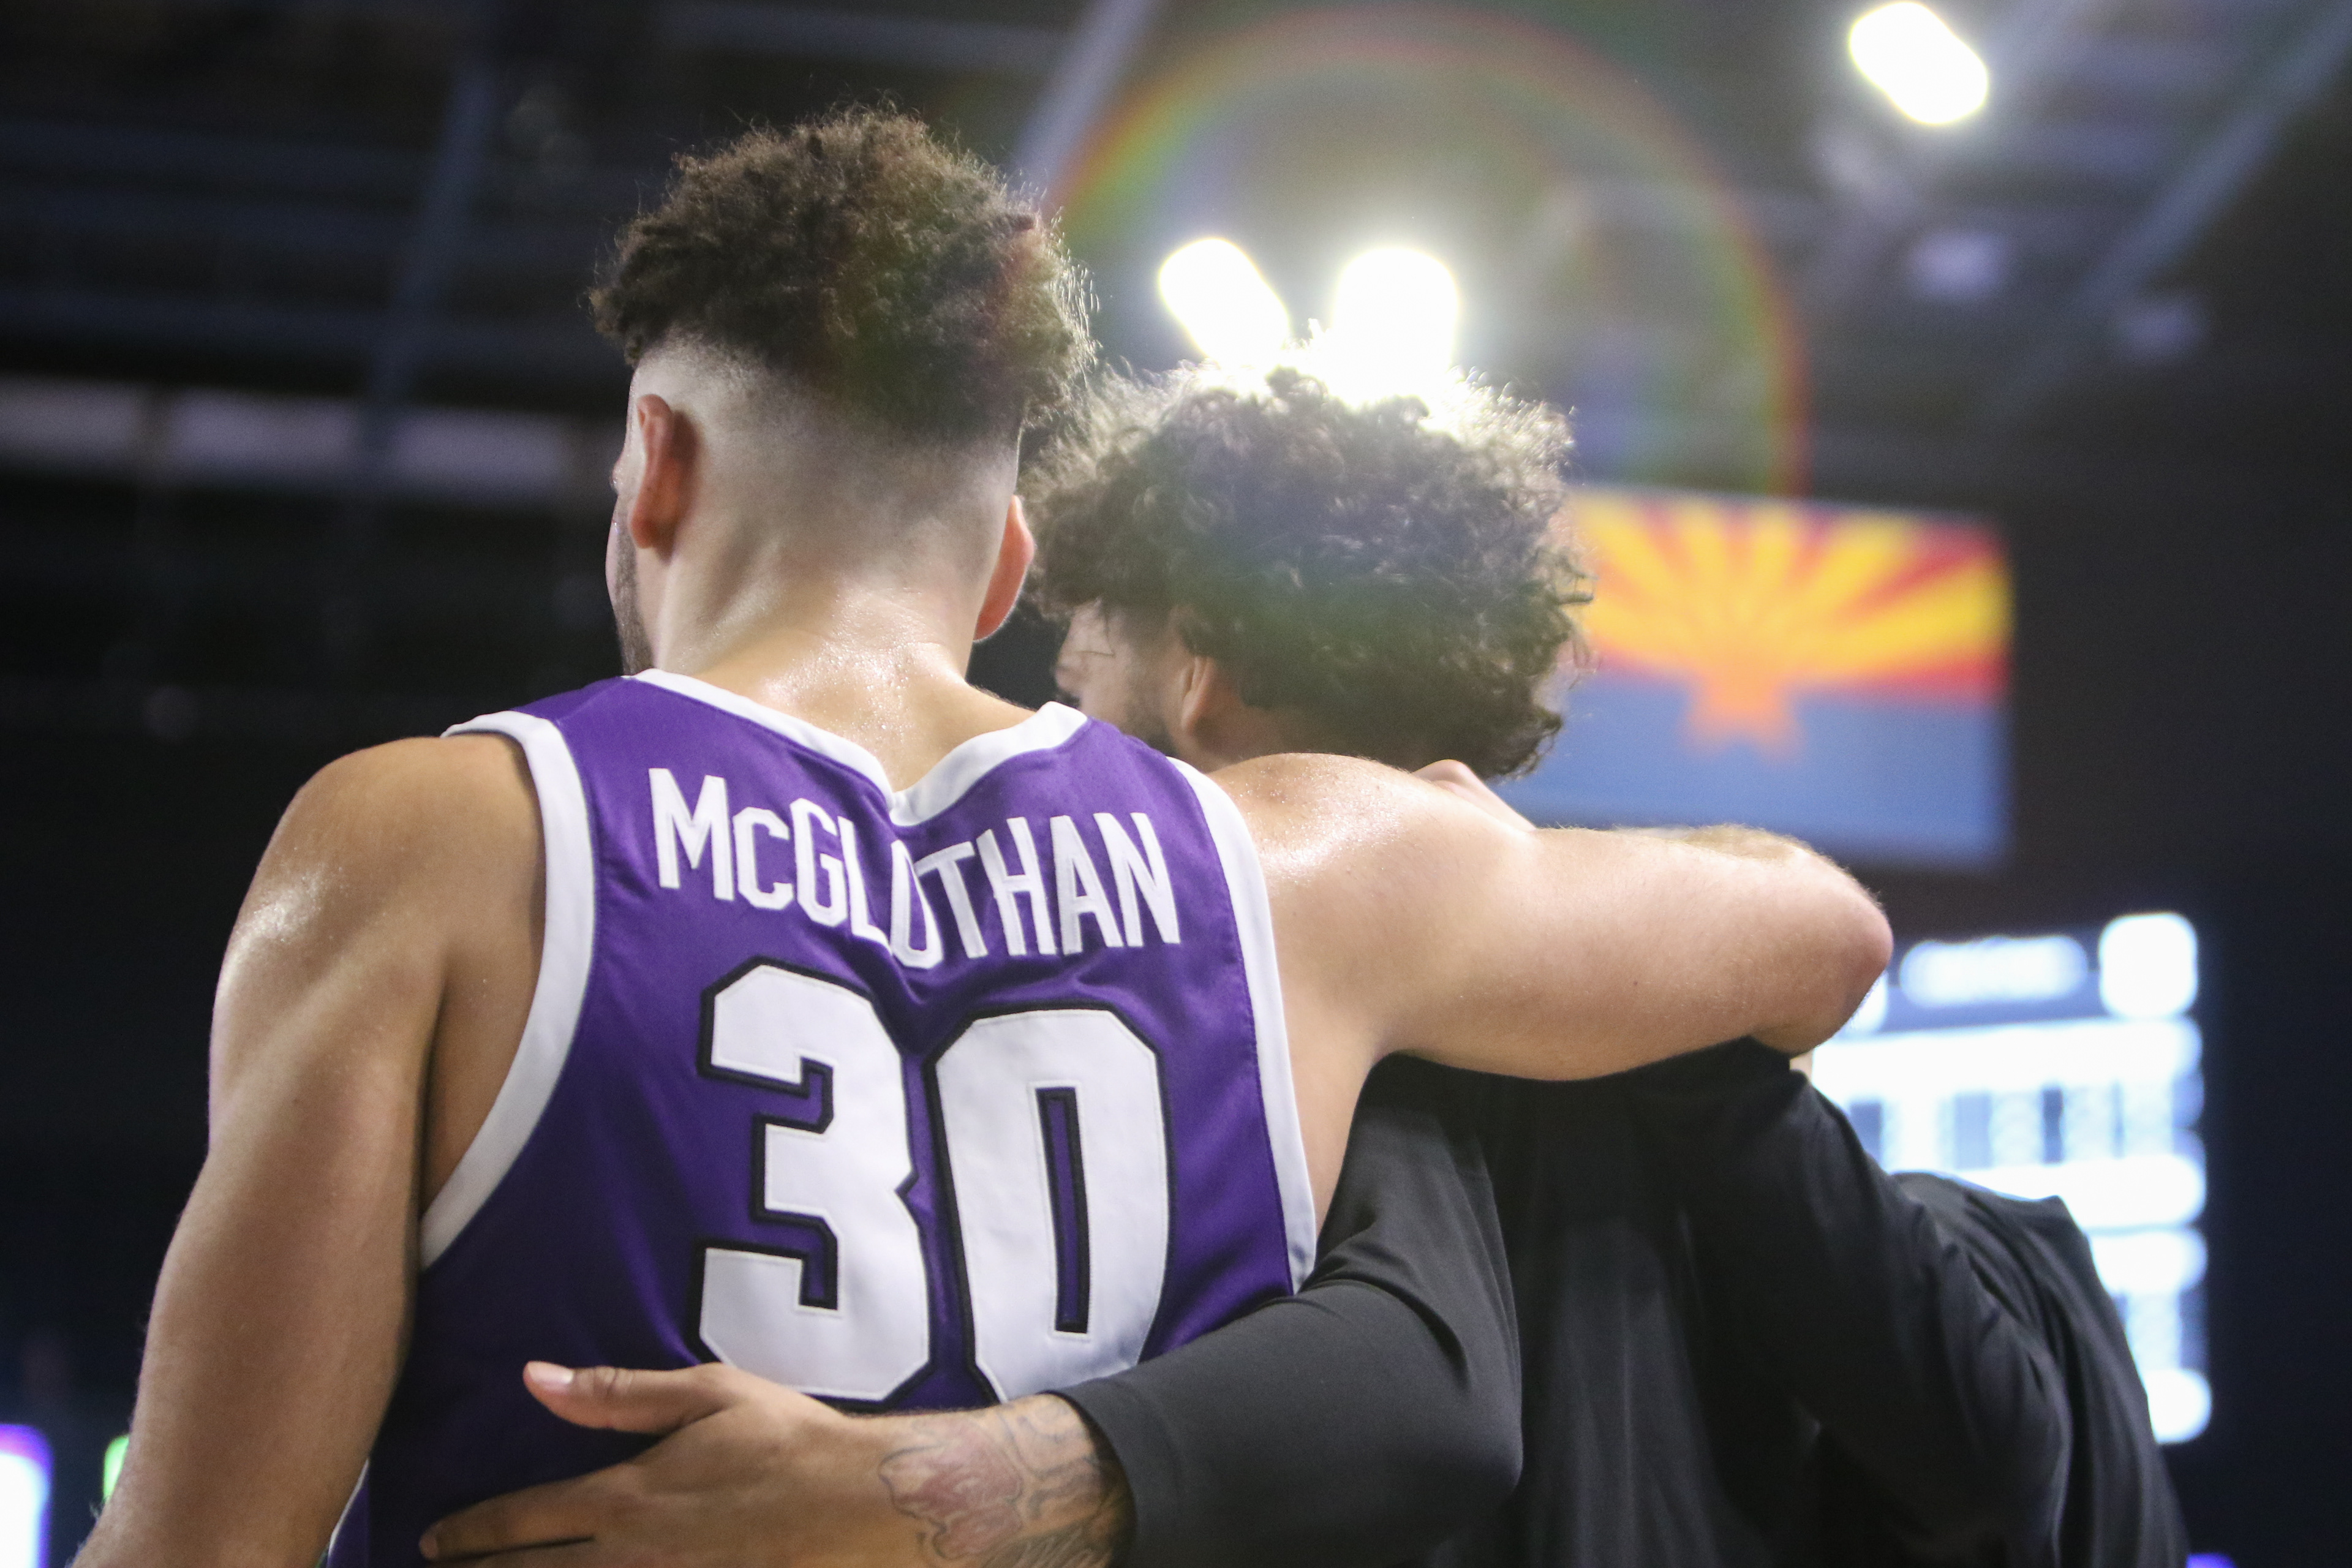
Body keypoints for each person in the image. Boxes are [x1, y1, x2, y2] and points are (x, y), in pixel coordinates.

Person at [72, 114, 1890, 1568]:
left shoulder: (433, 839)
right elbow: (1818, 935)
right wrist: (1442, 828)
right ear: (1011, 560)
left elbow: (202, 1546)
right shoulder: (1299, 876)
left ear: (659, 464)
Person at [421, 364, 2184, 1568]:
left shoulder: (1247, 1028)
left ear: (1195, 670)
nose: (1054, 716)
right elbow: (2000, 1455)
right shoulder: (1684, 1036)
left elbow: (1426, 1397)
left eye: (1084, 656)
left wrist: (918, 1490)